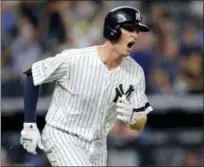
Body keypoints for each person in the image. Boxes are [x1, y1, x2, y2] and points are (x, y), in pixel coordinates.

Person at [20, 6, 153, 166]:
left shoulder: (135, 72)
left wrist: (133, 118)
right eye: (130, 29)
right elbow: (34, 73)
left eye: (137, 31)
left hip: (97, 145)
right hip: (64, 136)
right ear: (113, 31)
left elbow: (141, 117)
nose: (135, 35)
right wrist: (29, 124)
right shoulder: (76, 59)